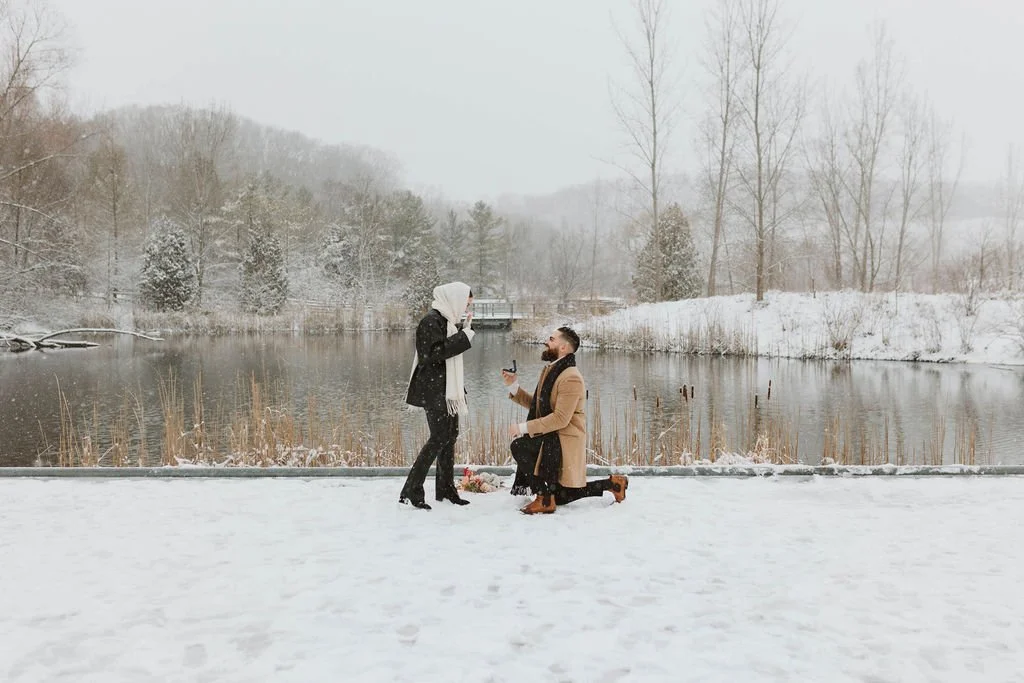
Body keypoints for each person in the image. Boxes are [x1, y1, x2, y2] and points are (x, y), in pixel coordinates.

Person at [502, 326, 628, 514]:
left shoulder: (571, 378)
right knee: (561, 495)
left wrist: (523, 428)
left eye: (552, 339)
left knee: (519, 445)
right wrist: (514, 387)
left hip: (562, 439)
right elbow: (539, 406)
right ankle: (613, 484)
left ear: (563, 347)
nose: (547, 341)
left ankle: (544, 499)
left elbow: (560, 418)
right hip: (551, 436)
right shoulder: (552, 370)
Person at [399, 282, 475, 510]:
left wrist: (462, 333)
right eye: (465, 303)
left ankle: (445, 489)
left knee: (450, 435)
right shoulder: (430, 321)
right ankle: (413, 489)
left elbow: (443, 351)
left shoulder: (447, 322)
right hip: (434, 391)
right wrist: (464, 338)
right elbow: (431, 355)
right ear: (453, 299)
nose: (465, 308)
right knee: (439, 437)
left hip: (446, 391)